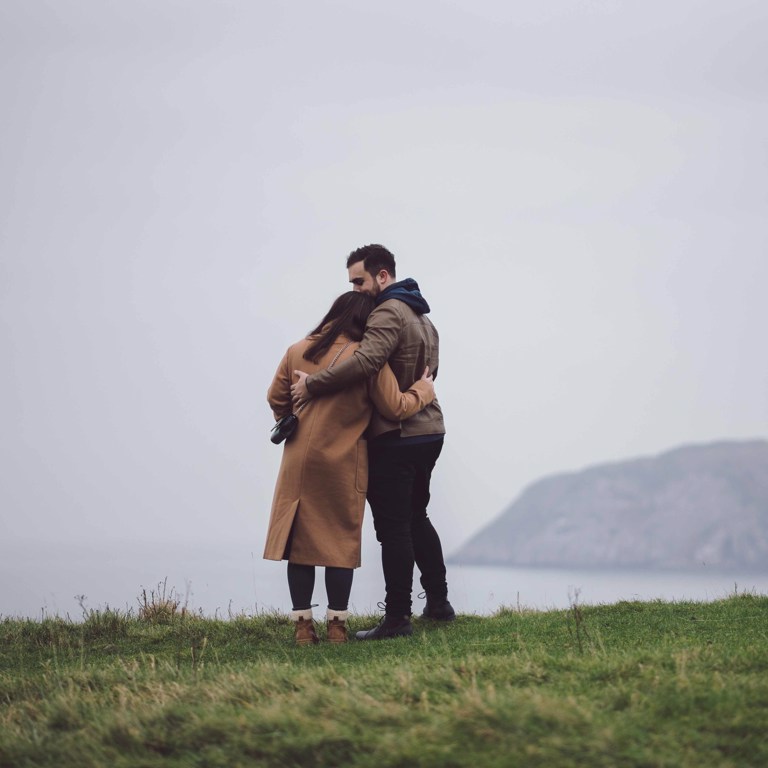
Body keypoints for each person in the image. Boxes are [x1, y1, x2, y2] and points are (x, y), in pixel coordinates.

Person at [291, 244, 454, 640]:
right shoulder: (422, 315)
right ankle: (439, 601)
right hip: (430, 430)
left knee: (394, 528)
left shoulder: (386, 311)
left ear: (383, 276)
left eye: (359, 280)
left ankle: (398, 618)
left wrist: (312, 384)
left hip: (397, 434)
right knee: (417, 517)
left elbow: (367, 363)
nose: (356, 289)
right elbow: (429, 374)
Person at [265, 291, 435, 645]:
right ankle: (337, 627)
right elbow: (395, 407)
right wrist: (424, 391)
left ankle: (302, 628)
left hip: (299, 460)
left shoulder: (299, 349)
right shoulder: (366, 359)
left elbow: (275, 397)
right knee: (337, 542)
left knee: (301, 542)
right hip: (344, 459)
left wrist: (292, 419)